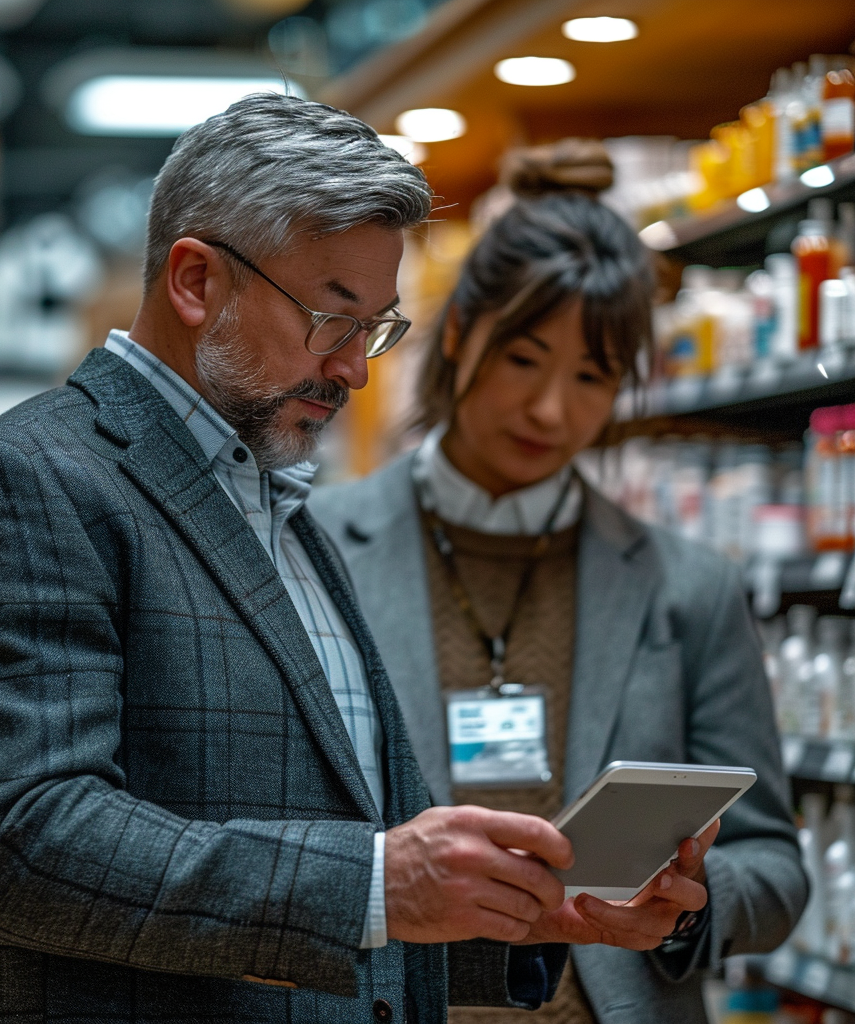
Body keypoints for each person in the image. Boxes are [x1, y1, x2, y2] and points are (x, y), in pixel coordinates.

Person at [0, 98, 710, 1024]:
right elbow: (22, 846)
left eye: (378, 327)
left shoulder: (282, 511)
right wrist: (375, 883)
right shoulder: (28, 482)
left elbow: (350, 868)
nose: (357, 369)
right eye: (333, 318)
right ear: (197, 281)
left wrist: (534, 914)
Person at [309, 153, 808, 1024]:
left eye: (590, 378)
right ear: (460, 334)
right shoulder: (313, 551)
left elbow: (774, 864)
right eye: (525, 359)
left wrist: (687, 904)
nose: (549, 410)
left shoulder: (686, 587)